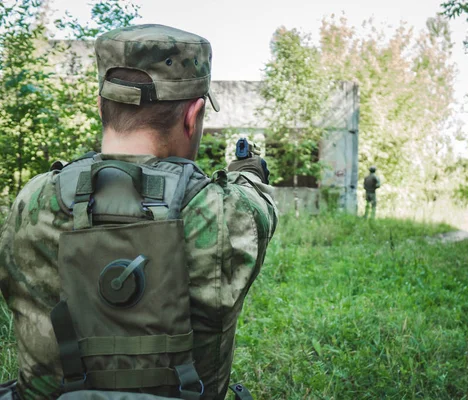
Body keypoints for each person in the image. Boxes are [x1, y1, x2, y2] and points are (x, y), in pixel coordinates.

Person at [0, 24, 277, 400]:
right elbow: (261, 203)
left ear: (101, 106)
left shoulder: (30, 201)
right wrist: (248, 172)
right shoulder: (226, 212)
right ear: (192, 116)